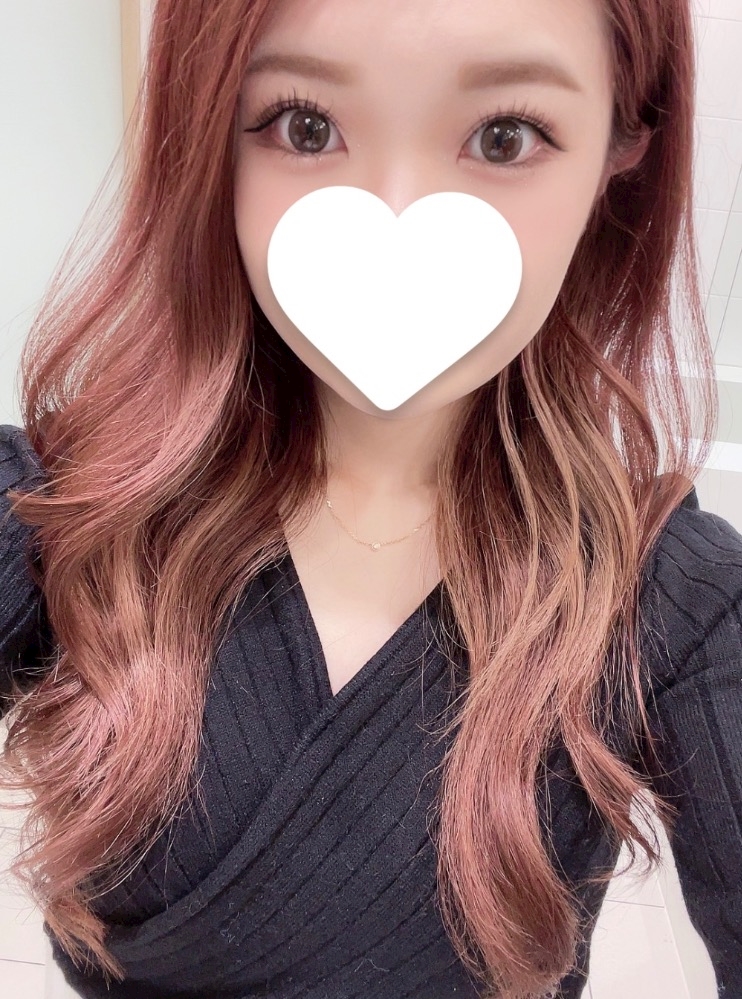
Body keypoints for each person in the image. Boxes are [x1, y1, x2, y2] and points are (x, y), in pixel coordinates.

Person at [1, 0, 740, 996]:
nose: (394, 217)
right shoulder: (67, 509)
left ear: (621, 149)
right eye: (305, 126)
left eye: (505, 136)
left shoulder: (677, 602)